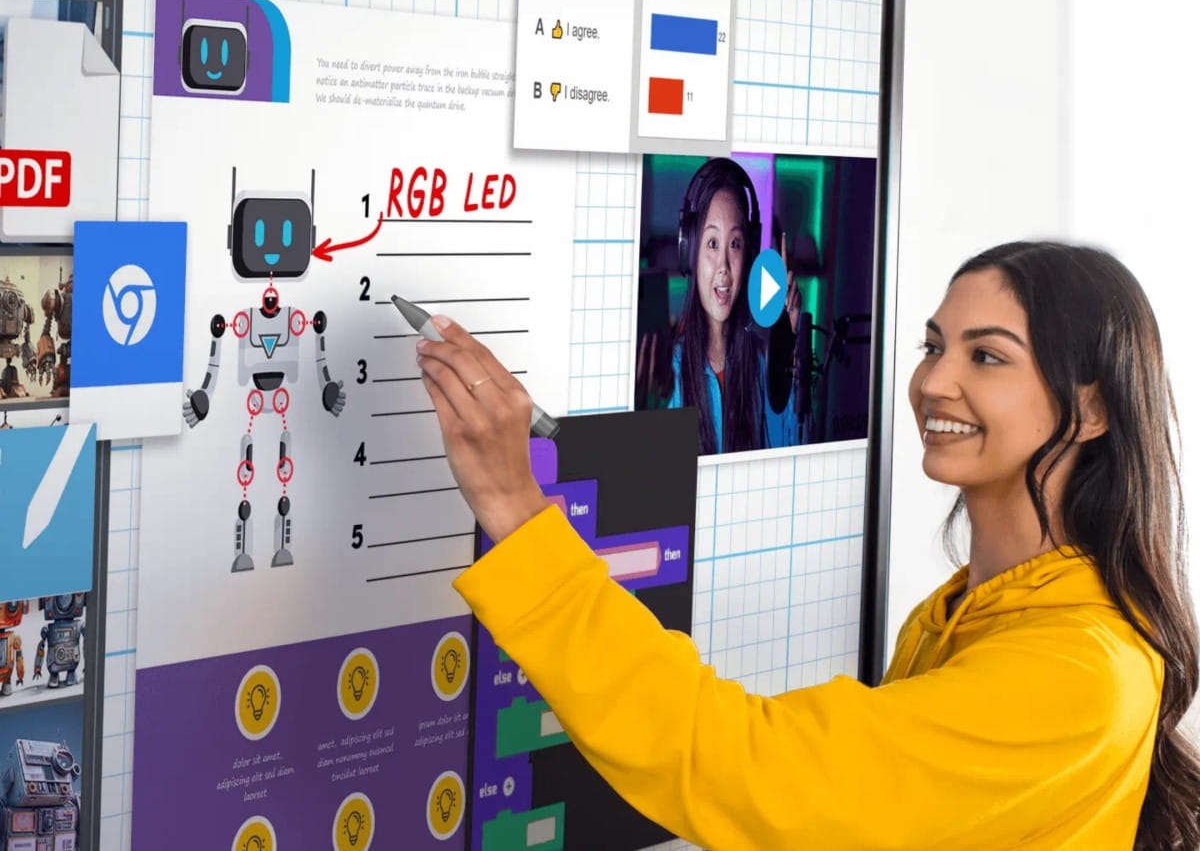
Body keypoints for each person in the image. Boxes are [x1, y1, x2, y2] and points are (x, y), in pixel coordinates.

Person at [415, 241, 1200, 849]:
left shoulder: (1078, 672)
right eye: (933, 346)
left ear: (1091, 409)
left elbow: (753, 768)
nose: (933, 382)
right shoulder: (957, 614)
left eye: (986, 356)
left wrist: (519, 512)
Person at [636, 157, 799, 454]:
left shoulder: (761, 369)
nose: (723, 265)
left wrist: (787, 352)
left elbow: (788, 464)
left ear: (748, 257)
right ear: (690, 254)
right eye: (712, 244)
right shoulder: (667, 378)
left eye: (735, 244)